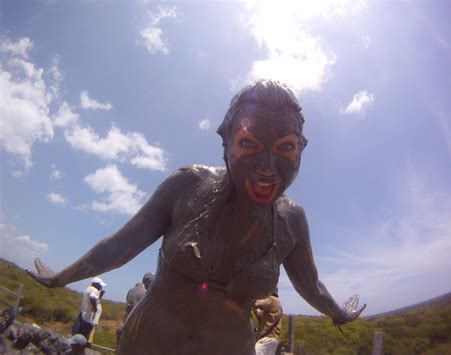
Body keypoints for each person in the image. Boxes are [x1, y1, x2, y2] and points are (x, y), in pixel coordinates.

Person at [27, 80, 366, 355]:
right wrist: (61, 278)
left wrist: (339, 313)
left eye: (286, 148)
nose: (267, 168)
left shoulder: (292, 220)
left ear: (302, 149)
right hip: (146, 345)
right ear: (226, 141)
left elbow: (310, 285)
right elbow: (120, 245)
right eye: (248, 143)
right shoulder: (188, 185)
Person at [71, 277, 105, 342]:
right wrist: (95, 308)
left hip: (83, 315)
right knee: (85, 337)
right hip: (88, 318)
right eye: (100, 285)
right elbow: (92, 297)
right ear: (96, 284)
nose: (101, 287)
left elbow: (93, 299)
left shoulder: (88, 289)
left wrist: (100, 296)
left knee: (79, 334)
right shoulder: (94, 290)